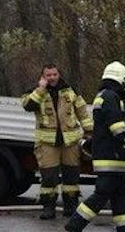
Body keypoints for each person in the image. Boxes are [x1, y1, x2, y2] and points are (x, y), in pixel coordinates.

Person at [66, 62, 125, 232]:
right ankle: (76, 223)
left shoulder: (104, 96)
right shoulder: (112, 97)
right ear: (122, 78)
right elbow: (116, 125)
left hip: (114, 157)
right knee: (102, 194)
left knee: (121, 196)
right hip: (111, 157)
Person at [20, 64, 92, 221]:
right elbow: (28, 106)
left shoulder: (70, 90)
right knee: (49, 177)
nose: (52, 77)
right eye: (48, 75)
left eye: (54, 74)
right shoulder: (35, 92)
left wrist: (89, 131)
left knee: (71, 176)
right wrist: (40, 89)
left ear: (59, 74)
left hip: (70, 141)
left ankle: (70, 206)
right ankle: (48, 208)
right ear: (43, 77)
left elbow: (82, 111)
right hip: (47, 142)